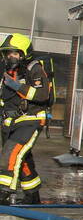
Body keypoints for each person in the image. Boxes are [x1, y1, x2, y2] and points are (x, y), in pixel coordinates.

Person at [0, 33, 51, 205]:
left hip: (31, 120)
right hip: (11, 123)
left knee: (11, 152)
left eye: (14, 53)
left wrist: (17, 86)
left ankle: (3, 191)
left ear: (23, 54)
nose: (10, 57)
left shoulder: (34, 68)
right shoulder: (6, 71)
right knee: (23, 159)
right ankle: (32, 195)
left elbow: (43, 95)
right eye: (7, 53)